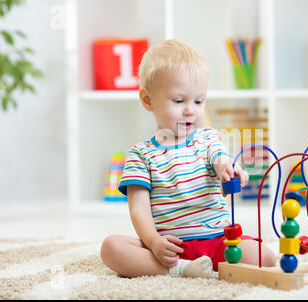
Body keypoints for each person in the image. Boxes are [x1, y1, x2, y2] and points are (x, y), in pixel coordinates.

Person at [100, 39, 276, 278]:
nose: (190, 110)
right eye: (179, 101)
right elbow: (139, 210)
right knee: (112, 248)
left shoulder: (207, 139)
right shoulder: (141, 155)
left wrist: (228, 168)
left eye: (198, 101)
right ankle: (180, 269)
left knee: (265, 257)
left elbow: (220, 159)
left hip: (217, 241)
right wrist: (154, 242)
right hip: (169, 247)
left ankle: (199, 267)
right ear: (148, 100)